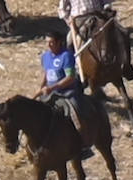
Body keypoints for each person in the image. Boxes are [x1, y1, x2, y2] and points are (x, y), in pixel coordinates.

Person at [58, 0, 133, 80]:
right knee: (69, 41)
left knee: (123, 33)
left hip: (98, 17)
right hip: (80, 19)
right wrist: (68, 20)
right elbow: (61, 8)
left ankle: (126, 65)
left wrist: (107, 8)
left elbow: (105, 0)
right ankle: (73, 71)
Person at [36, 28, 94, 158]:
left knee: (76, 111)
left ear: (59, 42)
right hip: (50, 93)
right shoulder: (45, 56)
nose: (49, 45)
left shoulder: (66, 56)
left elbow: (70, 77)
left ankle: (84, 144)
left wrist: (53, 87)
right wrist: (41, 88)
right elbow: (46, 74)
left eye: (51, 42)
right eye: (47, 43)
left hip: (67, 92)